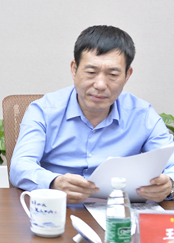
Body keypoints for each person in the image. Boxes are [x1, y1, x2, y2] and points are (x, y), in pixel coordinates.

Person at [10, 25, 174, 203]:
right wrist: (54, 183)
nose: (100, 84)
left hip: (119, 212)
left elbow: (171, 162)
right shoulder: (43, 111)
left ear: (127, 75)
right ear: (74, 69)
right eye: (91, 72)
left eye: (112, 74)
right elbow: (20, 166)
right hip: (58, 208)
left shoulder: (143, 115)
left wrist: (170, 184)